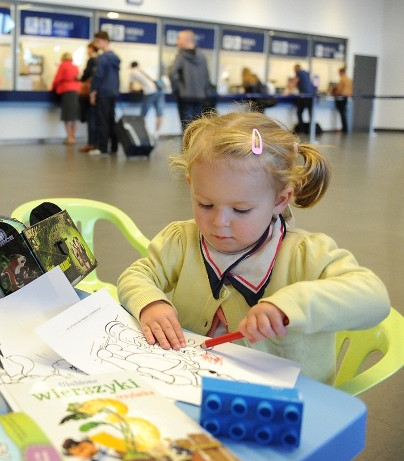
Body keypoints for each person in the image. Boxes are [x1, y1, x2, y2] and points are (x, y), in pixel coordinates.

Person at [116, 112, 389, 384]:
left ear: (280, 201)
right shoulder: (181, 239)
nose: (219, 223)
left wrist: (291, 306)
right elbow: (136, 275)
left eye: (241, 209)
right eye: (205, 204)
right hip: (190, 385)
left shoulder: (306, 254)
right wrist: (150, 303)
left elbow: (374, 297)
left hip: (282, 406)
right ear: (191, 185)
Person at [169, 29, 213, 131]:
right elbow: (206, 77)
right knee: (197, 128)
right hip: (200, 98)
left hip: (185, 98)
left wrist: (179, 90)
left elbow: (172, 74)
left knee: (186, 127)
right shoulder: (202, 56)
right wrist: (204, 93)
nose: (177, 42)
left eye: (179, 39)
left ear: (186, 40)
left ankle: (186, 147)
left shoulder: (181, 56)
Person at [88, 31, 120, 155]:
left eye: (97, 41)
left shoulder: (102, 58)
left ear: (103, 41)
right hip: (112, 92)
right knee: (111, 120)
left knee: (102, 121)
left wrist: (93, 92)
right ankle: (114, 147)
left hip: (103, 93)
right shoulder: (115, 58)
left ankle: (102, 148)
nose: (96, 44)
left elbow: (98, 76)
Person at [51, 52, 81, 145]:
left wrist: (52, 88)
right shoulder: (75, 67)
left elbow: (57, 78)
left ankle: (69, 137)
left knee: (67, 116)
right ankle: (73, 136)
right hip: (77, 91)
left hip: (67, 92)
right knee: (75, 116)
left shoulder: (62, 65)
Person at [129, 61, 163, 136]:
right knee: (159, 113)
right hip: (159, 91)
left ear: (131, 66)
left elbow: (131, 88)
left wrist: (136, 90)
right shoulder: (146, 68)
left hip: (149, 93)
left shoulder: (133, 72)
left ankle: (141, 133)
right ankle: (156, 134)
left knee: (143, 114)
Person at [78, 41, 99, 153]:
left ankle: (91, 143)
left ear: (91, 49)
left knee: (91, 118)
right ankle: (96, 142)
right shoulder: (100, 59)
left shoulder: (92, 60)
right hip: (99, 92)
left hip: (90, 92)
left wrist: (81, 78)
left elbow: (86, 75)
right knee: (96, 118)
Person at [288, 63, 316, 129]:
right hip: (311, 96)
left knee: (299, 112)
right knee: (310, 113)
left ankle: (301, 129)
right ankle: (311, 130)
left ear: (296, 68)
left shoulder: (298, 73)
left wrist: (289, 88)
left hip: (304, 96)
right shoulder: (306, 73)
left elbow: (294, 83)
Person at [330, 66, 353, 133]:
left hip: (341, 98)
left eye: (339, 72)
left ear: (341, 72)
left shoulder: (342, 79)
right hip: (346, 97)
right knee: (344, 113)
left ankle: (344, 129)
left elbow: (339, 90)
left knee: (342, 113)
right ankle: (345, 128)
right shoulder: (349, 79)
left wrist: (333, 91)